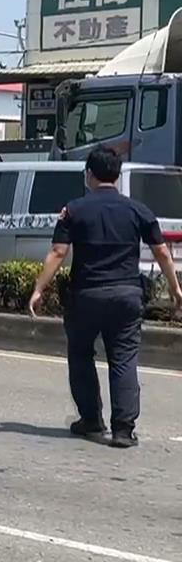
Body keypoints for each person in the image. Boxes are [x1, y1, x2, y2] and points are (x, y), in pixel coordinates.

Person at [29, 146, 182, 448]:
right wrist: (175, 288)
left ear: (89, 174)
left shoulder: (74, 209)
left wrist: (39, 289)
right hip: (127, 296)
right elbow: (162, 252)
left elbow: (58, 252)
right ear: (117, 175)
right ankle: (123, 430)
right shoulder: (138, 210)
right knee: (123, 358)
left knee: (81, 355)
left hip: (86, 296)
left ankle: (91, 420)